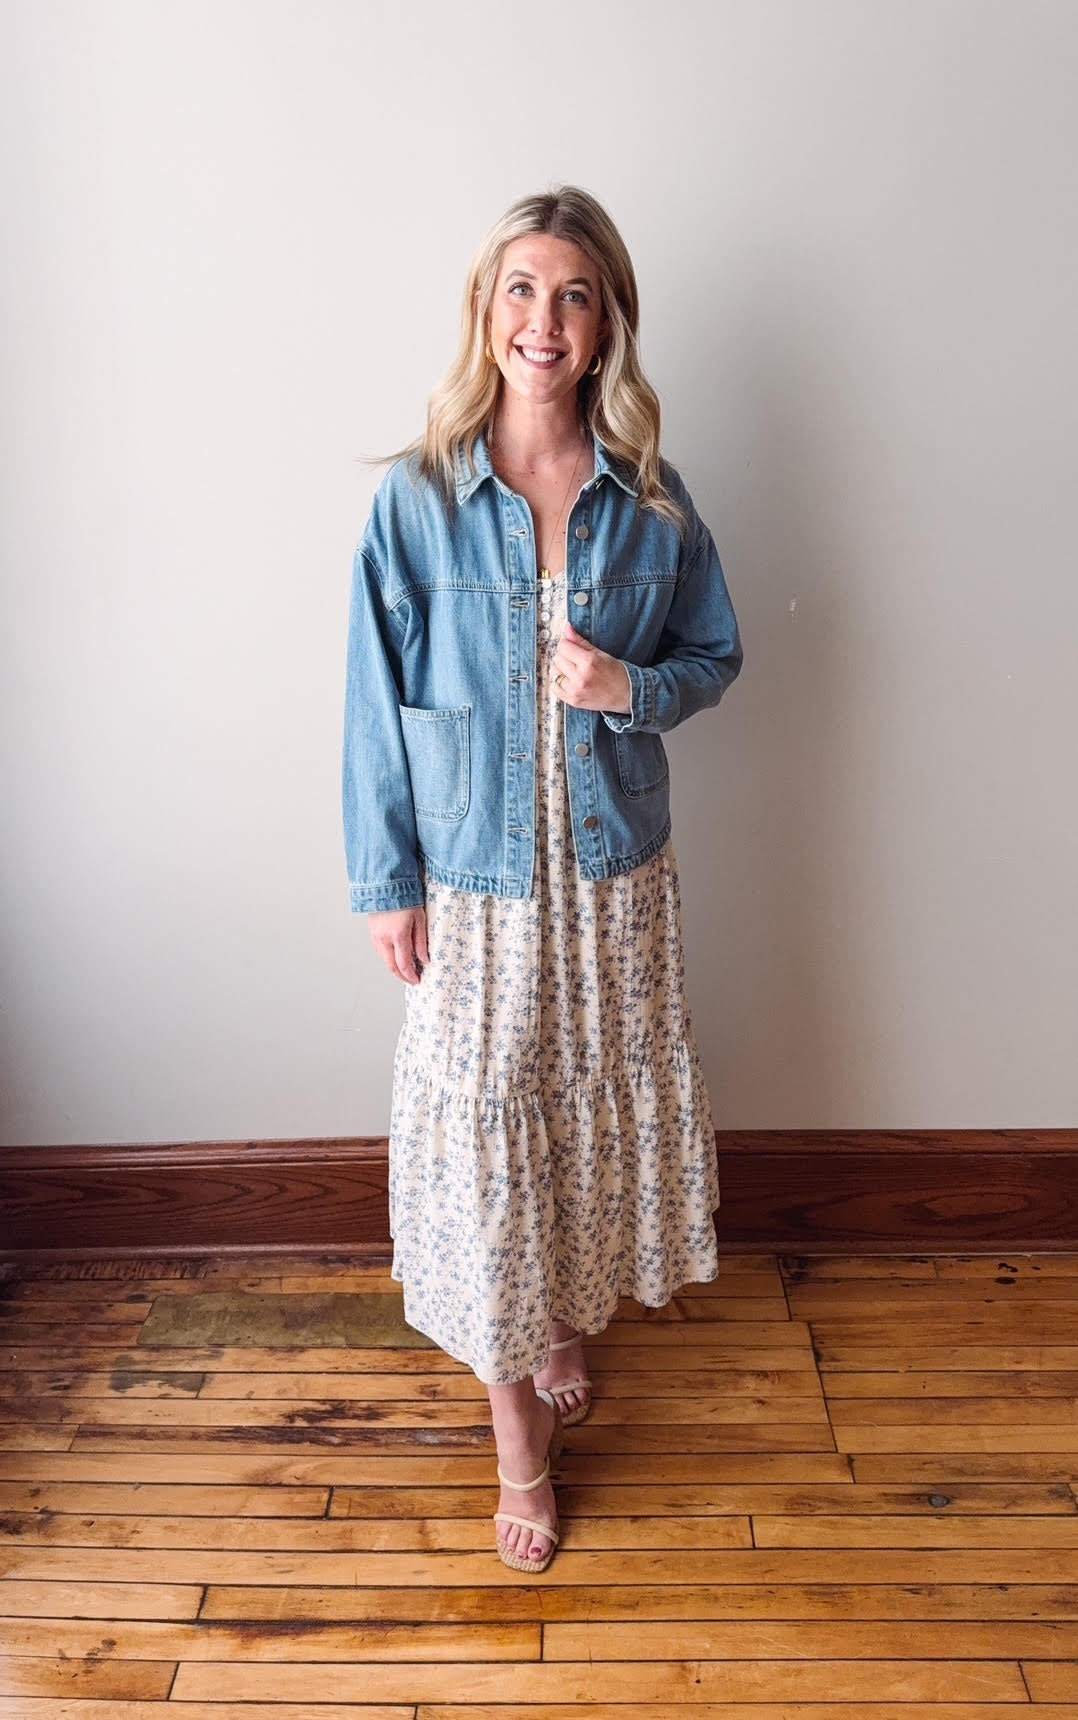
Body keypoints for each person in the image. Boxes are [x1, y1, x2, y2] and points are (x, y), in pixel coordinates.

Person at [343, 186, 742, 1574]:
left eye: (572, 294)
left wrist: (625, 684)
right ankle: (517, 1443)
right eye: (521, 289)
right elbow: (367, 704)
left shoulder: (652, 496)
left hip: (616, 877)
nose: (543, 320)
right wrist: (383, 881)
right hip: (474, 885)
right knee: (480, 1143)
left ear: (605, 323)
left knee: (569, 1128)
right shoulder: (416, 498)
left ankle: (557, 1314)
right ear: (484, 310)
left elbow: (714, 657)